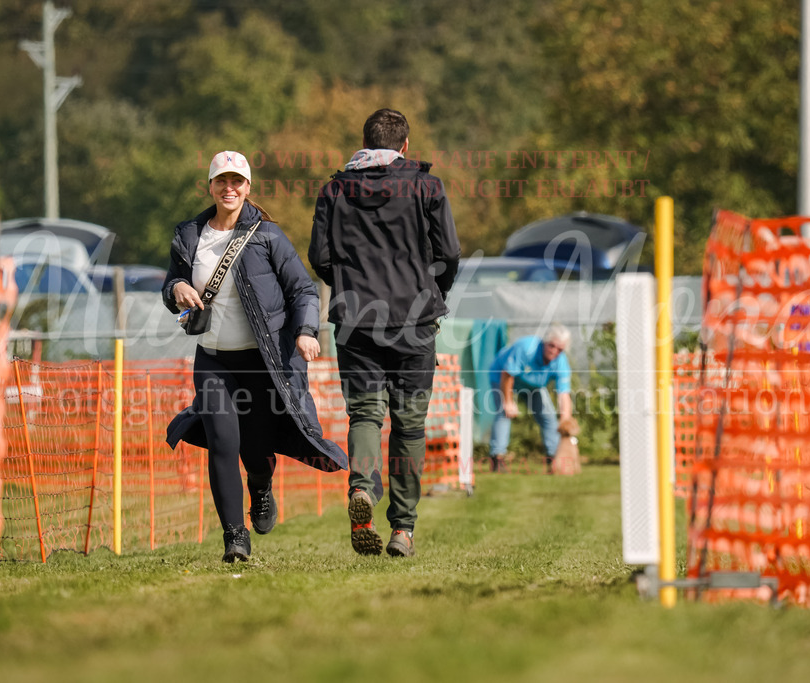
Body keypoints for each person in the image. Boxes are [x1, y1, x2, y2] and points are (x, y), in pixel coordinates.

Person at [164, 150, 347, 563]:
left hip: (264, 362)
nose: (229, 188)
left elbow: (302, 289)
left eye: (237, 182)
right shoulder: (189, 234)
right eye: (221, 181)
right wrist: (176, 288)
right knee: (222, 443)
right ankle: (234, 537)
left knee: (255, 445)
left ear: (248, 187)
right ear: (210, 186)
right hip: (213, 359)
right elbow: (171, 280)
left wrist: (304, 331)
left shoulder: (267, 235)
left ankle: (261, 487)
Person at [309, 109, 460, 558]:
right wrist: (432, 289)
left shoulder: (335, 189)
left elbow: (320, 256)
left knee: (366, 416)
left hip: (356, 323)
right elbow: (448, 252)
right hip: (414, 323)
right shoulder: (425, 186)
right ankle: (403, 530)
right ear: (405, 145)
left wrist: (353, 289)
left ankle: (361, 489)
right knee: (410, 427)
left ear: (364, 142)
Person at [487, 324, 574, 473]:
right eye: (551, 345)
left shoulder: (561, 362)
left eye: (559, 349)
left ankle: (554, 460)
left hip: (533, 385)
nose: (554, 351)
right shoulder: (527, 348)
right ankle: (497, 458)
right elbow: (507, 375)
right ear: (544, 342)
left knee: (549, 417)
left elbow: (564, 394)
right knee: (504, 412)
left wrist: (566, 420)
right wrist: (508, 402)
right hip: (502, 377)